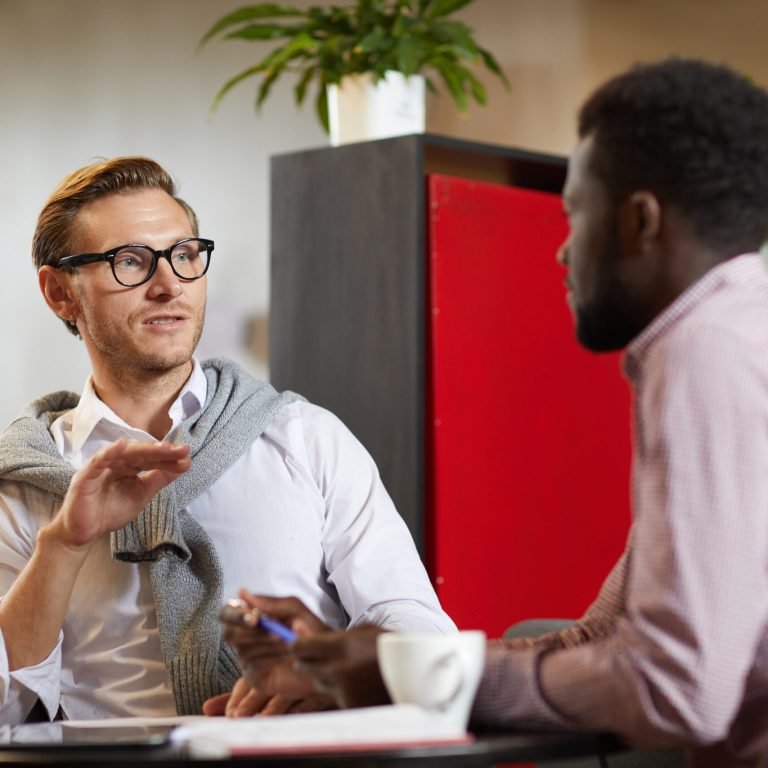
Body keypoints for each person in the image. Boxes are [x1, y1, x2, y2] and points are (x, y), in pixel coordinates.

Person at [224, 58, 768, 767]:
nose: (563, 247)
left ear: (640, 221)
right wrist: (355, 666)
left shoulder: (710, 351)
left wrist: (401, 672)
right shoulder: (734, 334)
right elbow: (594, 643)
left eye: (576, 211)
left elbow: (674, 687)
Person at [0, 157, 455, 724]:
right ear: (60, 293)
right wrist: (62, 545)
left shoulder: (305, 438)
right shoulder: (23, 486)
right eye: (130, 262)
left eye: (185, 255)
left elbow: (417, 626)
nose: (169, 286)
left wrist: (339, 679)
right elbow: (6, 708)